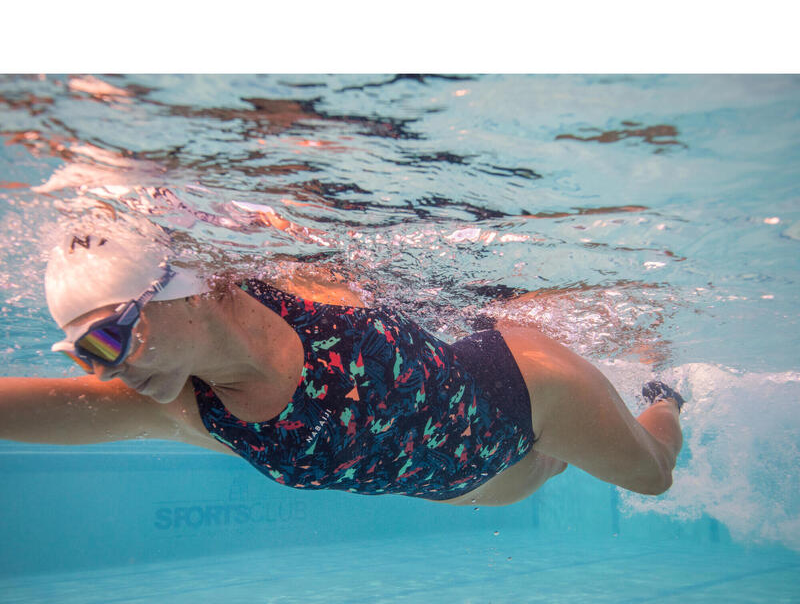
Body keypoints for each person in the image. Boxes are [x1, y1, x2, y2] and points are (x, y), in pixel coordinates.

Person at [0, 215, 684, 506]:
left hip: (532, 390)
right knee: (553, 465)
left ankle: (665, 388)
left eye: (106, 339)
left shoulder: (304, 283)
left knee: (651, 477)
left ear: (184, 288)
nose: (100, 371)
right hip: (494, 479)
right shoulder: (183, 407)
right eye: (78, 353)